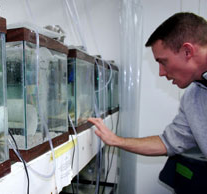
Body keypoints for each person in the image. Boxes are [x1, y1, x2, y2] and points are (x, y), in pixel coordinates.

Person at [88, 12, 207, 193]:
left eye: (163, 62)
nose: (160, 72)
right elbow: (167, 143)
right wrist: (116, 140)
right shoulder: (193, 96)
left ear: (187, 51)